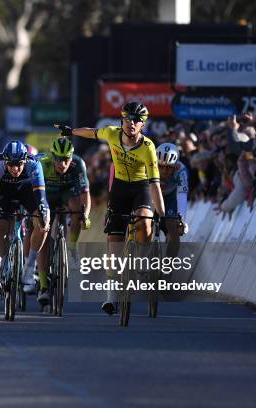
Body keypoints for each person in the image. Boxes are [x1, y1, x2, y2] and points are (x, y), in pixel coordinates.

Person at [55, 101, 165, 315]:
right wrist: (71, 131)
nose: (131, 123)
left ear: (142, 125)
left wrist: (161, 214)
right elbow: (93, 133)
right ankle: (111, 297)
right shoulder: (113, 134)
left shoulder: (148, 147)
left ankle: (142, 258)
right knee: (114, 243)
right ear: (122, 120)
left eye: (137, 120)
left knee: (144, 221)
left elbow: (155, 185)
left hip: (141, 187)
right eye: (128, 119)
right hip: (120, 188)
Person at [0, 140, 50, 295]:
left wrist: (43, 213)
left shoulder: (34, 164)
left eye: (19, 164)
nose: (15, 168)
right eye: (11, 164)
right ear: (5, 161)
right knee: (0, 227)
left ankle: (29, 267)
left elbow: (41, 196)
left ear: (25, 160)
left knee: (43, 222)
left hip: (27, 192)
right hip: (3, 193)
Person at [34, 137, 91, 305]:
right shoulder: (42, 163)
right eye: (58, 159)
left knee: (76, 207)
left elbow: (85, 194)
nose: (62, 163)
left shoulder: (78, 164)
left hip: (67, 193)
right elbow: (32, 192)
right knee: (43, 232)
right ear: (52, 157)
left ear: (71, 158)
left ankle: (72, 247)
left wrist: (85, 215)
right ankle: (44, 286)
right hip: (47, 196)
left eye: (66, 159)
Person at [156, 143, 189, 258]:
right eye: (160, 166)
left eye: (169, 167)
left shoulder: (181, 170)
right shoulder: (148, 165)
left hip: (170, 197)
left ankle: (168, 268)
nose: (164, 171)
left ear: (175, 165)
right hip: (151, 193)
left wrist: (182, 220)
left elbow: (182, 196)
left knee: (173, 229)